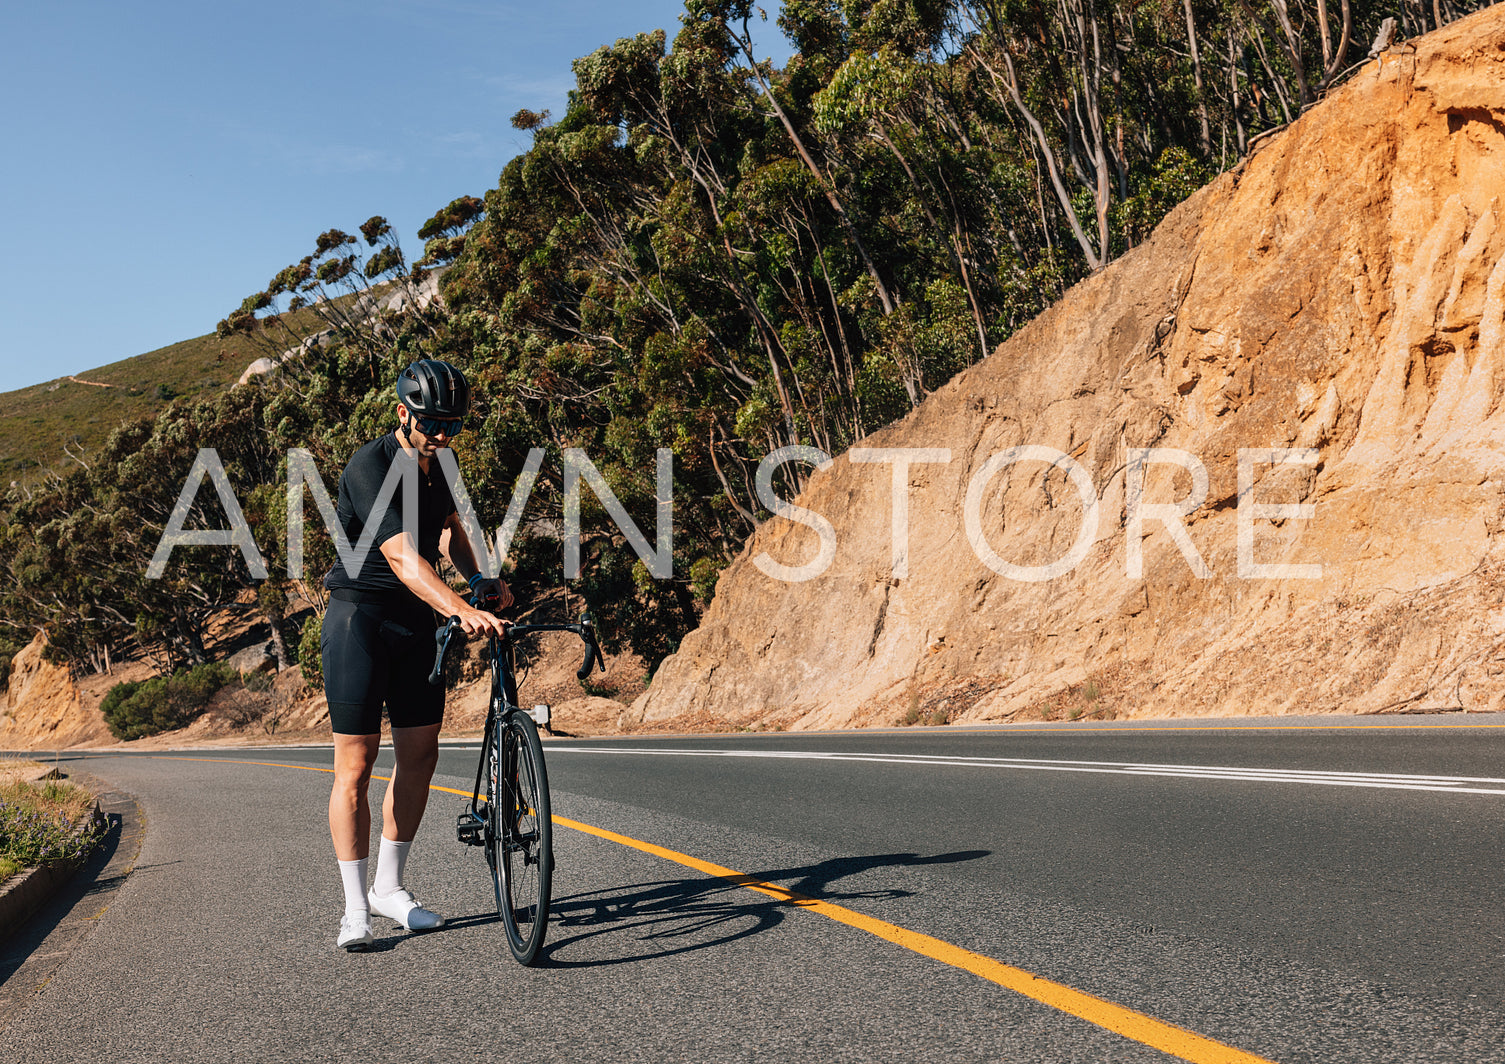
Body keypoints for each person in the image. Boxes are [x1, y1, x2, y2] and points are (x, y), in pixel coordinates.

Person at [321, 358, 512, 951]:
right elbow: (404, 556)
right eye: (432, 424)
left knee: (420, 757)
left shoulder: (441, 465)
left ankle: (389, 889)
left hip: (414, 623)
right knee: (355, 769)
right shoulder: (370, 465)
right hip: (360, 619)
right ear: (403, 413)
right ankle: (355, 908)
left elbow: (453, 530)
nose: (443, 436)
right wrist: (459, 607)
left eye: (452, 425)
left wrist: (483, 580)